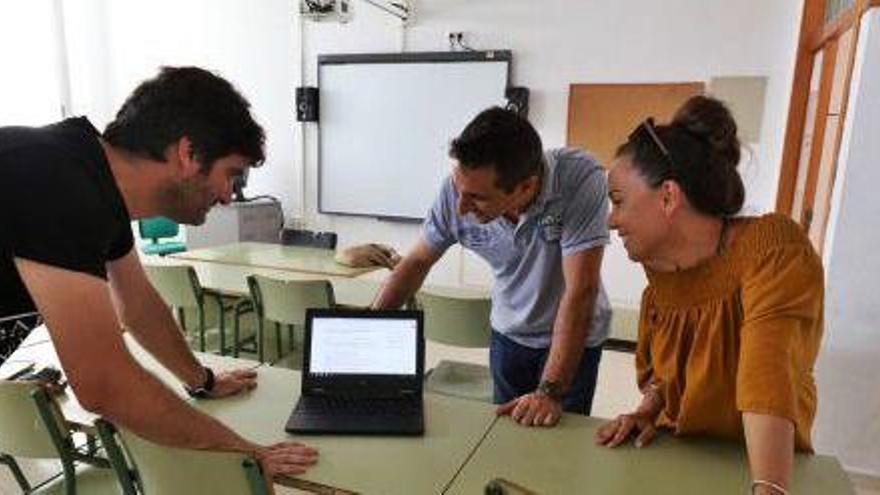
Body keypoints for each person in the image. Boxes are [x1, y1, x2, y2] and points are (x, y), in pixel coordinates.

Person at [0, 66, 317, 483]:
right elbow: (103, 384)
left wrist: (200, 380)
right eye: (232, 174)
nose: (228, 195)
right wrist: (243, 453)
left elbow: (138, 304)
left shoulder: (91, 179)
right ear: (188, 155)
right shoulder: (56, 179)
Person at [596, 95, 824, 495]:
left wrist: (769, 489)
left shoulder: (773, 249)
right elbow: (666, 377)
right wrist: (648, 409)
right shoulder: (662, 272)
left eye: (618, 202)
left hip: (762, 468)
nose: (612, 221)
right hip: (682, 461)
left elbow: (765, 380)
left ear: (668, 196)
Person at [373, 107, 612, 427]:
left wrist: (550, 392)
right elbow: (417, 261)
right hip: (510, 334)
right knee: (505, 437)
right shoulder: (459, 191)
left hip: (574, 339)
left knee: (558, 445)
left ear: (526, 187)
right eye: (459, 191)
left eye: (478, 198)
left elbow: (580, 290)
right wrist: (369, 328)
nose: (461, 207)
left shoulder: (579, 179)